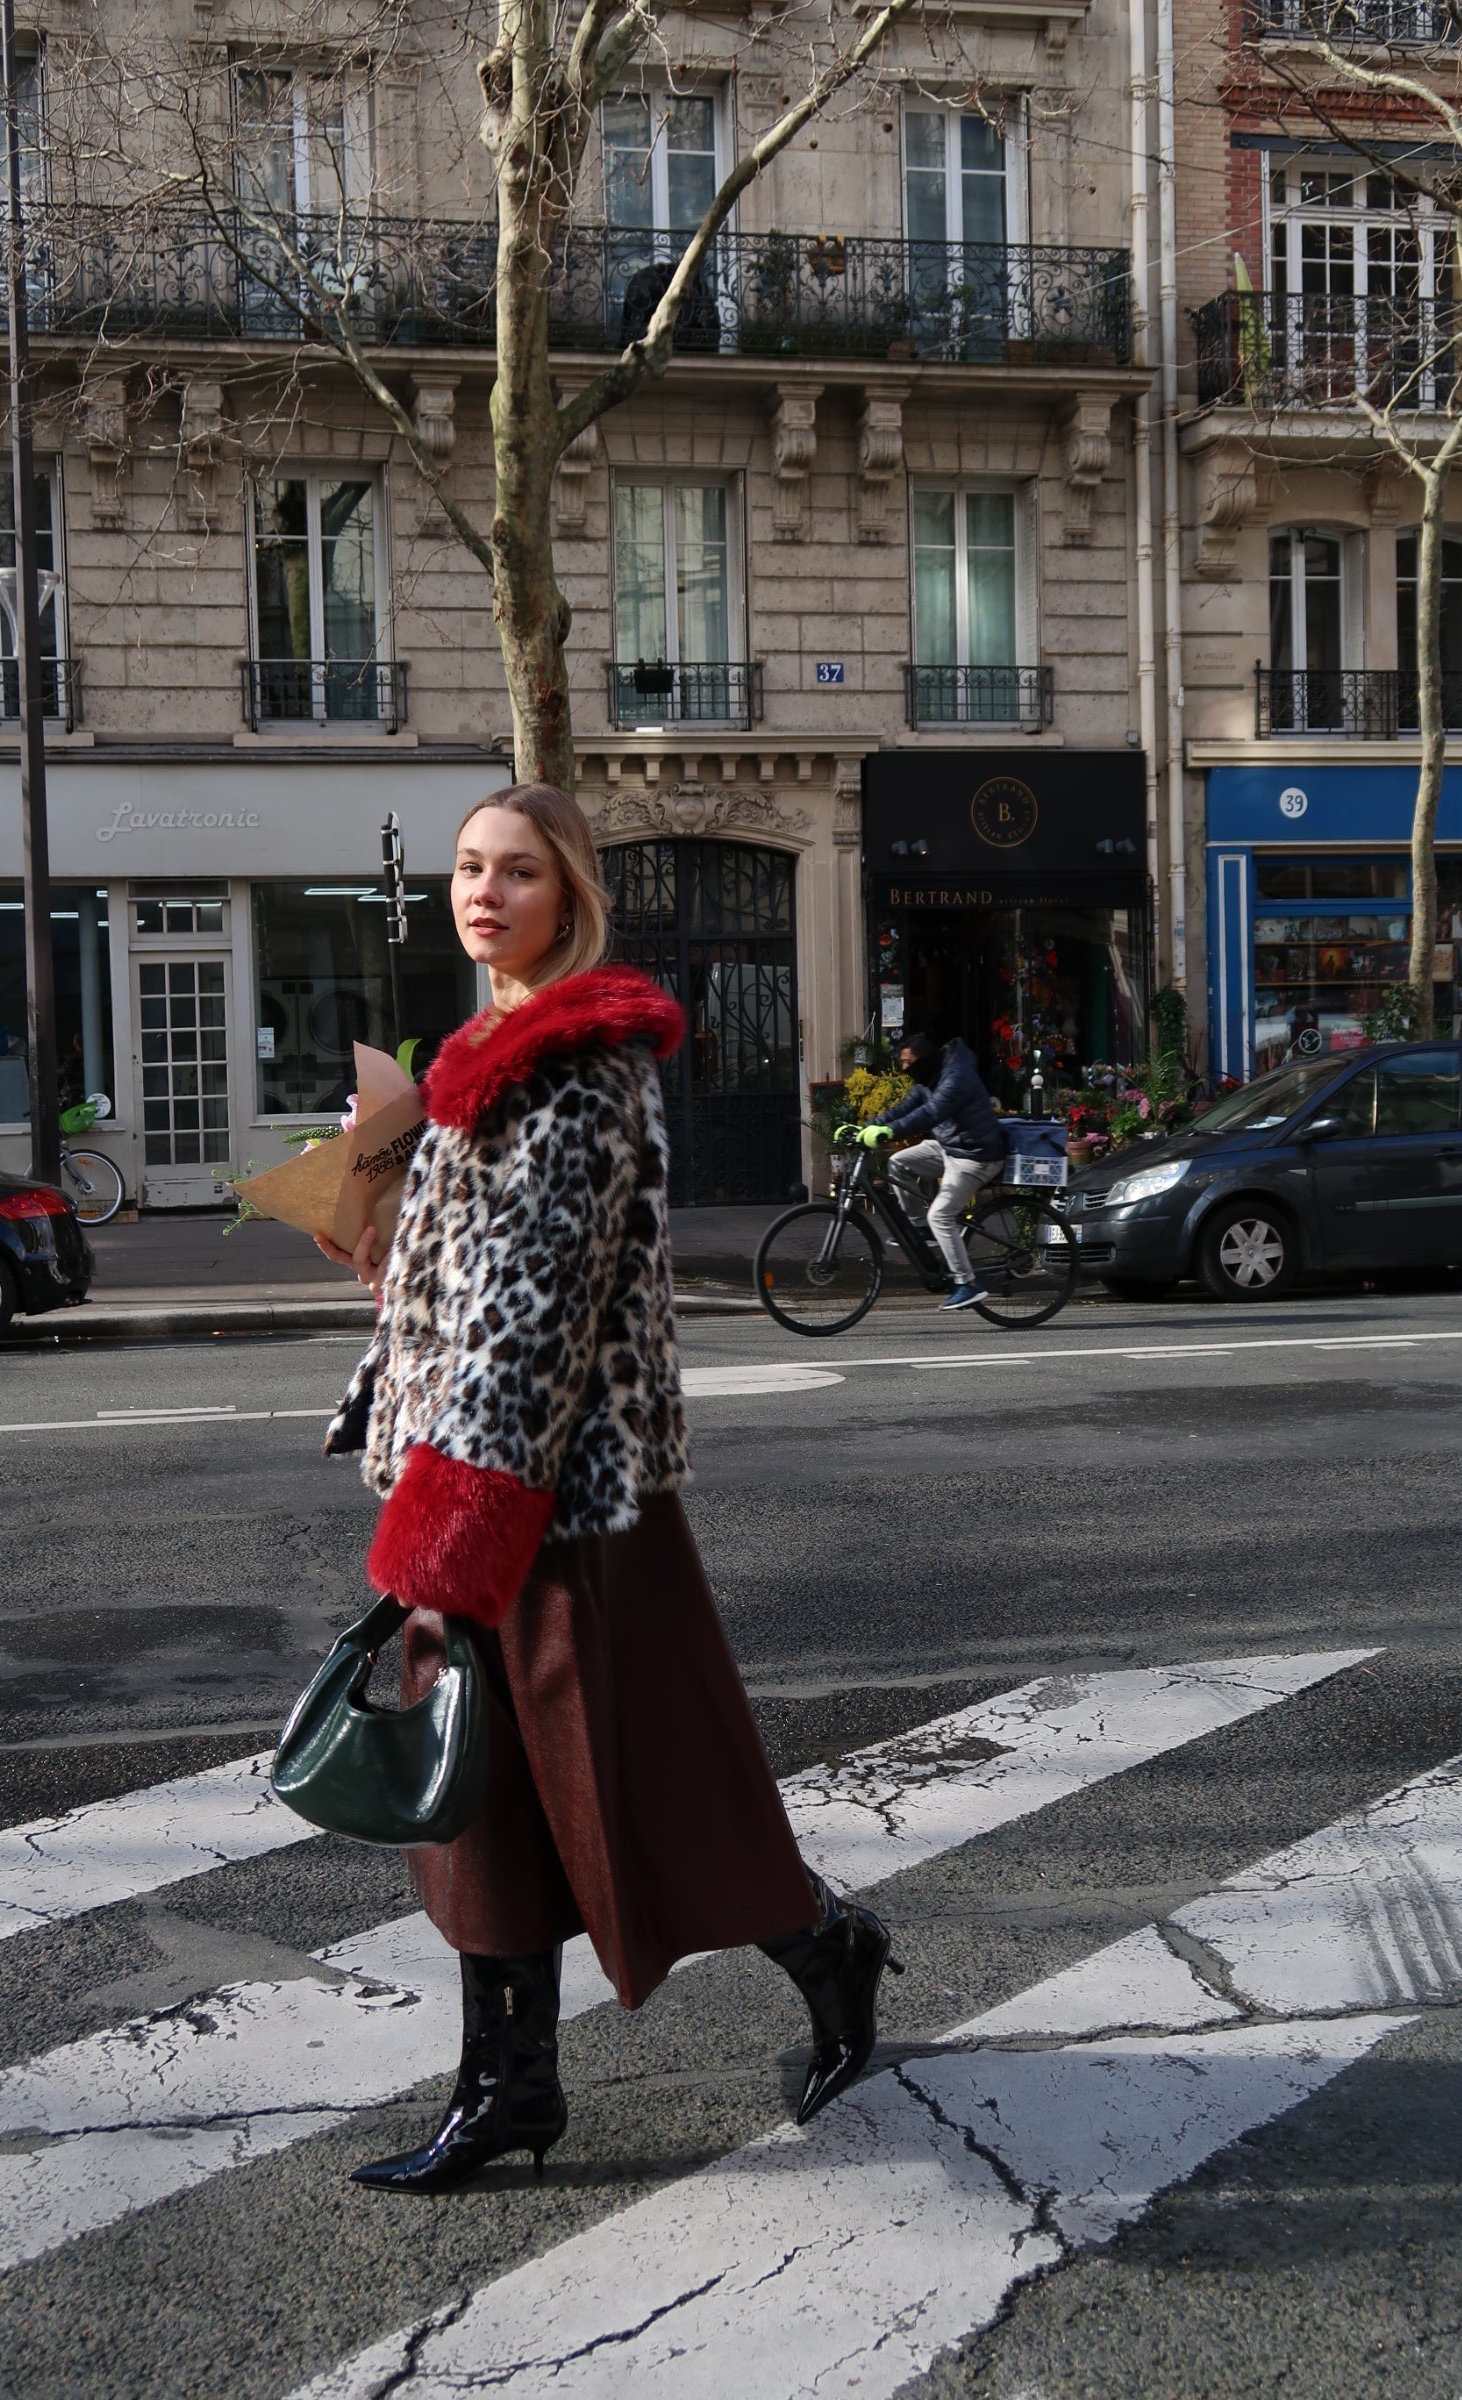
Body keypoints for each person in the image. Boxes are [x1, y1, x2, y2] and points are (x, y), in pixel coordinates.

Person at [316, 782, 899, 2198]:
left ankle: (828, 1947)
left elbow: (534, 1311)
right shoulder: (480, 1052)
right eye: (466, 868)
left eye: (516, 872)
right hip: (480, 1484)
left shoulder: (575, 1062)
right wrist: (375, 1236)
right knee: (487, 1806)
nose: (482, 893)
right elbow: (463, 1286)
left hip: (550, 1504)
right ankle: (510, 2092)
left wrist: (454, 1525)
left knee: (656, 1791)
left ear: (570, 896)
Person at [867, 1026, 1006, 1310]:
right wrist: (868, 1127)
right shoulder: (928, 1079)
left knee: (941, 1215)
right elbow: (904, 1108)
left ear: (923, 1060)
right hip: (949, 1147)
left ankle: (966, 1284)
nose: (905, 1068)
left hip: (975, 1155)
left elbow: (930, 1114)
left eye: (908, 1062)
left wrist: (888, 1133)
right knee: (898, 1163)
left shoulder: (956, 1077)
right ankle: (922, 1229)